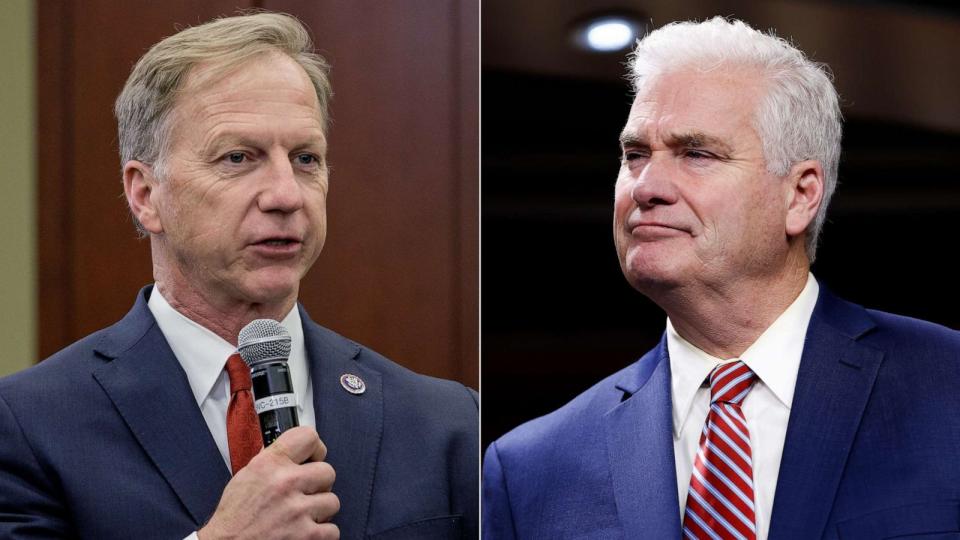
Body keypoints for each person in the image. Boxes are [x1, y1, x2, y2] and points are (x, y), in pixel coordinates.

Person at [0, 12, 477, 540]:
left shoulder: (449, 422)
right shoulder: (27, 424)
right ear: (145, 194)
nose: (286, 195)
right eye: (237, 157)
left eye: (305, 158)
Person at [482, 17, 960, 540]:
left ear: (799, 195)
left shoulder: (947, 387)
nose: (647, 186)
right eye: (635, 155)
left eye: (696, 153)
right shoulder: (531, 470)